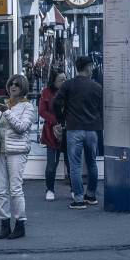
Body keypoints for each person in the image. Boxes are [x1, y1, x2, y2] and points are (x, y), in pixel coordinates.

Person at [0, 74, 37, 240]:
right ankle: (4, 224)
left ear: (22, 87)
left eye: (17, 84)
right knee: (1, 189)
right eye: (11, 84)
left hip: (16, 151)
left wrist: (6, 112)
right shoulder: (4, 104)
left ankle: (20, 224)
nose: (13, 87)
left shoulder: (28, 107)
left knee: (15, 189)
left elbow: (21, 127)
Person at [54, 56, 103, 210]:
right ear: (88, 67)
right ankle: (91, 195)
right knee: (91, 162)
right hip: (92, 129)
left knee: (75, 166)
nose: (93, 68)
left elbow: (56, 103)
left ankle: (79, 199)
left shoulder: (69, 85)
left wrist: (61, 119)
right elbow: (102, 108)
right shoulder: (97, 87)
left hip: (74, 128)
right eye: (92, 66)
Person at [37, 70, 69, 201]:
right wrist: (56, 121)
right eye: (61, 79)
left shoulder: (69, 91)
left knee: (70, 163)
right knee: (51, 164)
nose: (64, 82)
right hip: (51, 131)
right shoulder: (46, 92)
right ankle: (49, 189)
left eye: (65, 79)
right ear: (54, 81)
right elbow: (42, 111)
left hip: (68, 130)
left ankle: (74, 189)